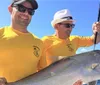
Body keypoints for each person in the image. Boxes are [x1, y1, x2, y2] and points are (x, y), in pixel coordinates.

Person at [0, 0, 47, 83]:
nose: (26, 14)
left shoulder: (39, 42)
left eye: (30, 11)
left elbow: (45, 74)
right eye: (21, 8)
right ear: (10, 9)